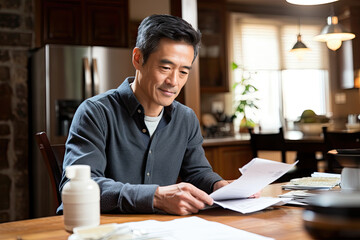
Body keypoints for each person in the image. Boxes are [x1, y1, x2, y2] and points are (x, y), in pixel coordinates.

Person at [58, 14, 230, 216]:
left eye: (183, 72)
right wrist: (156, 196)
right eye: (165, 68)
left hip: (161, 230)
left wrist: (218, 185)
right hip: (102, 230)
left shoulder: (186, 118)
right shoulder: (95, 112)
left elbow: (197, 173)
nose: (174, 81)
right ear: (138, 59)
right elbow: (79, 185)